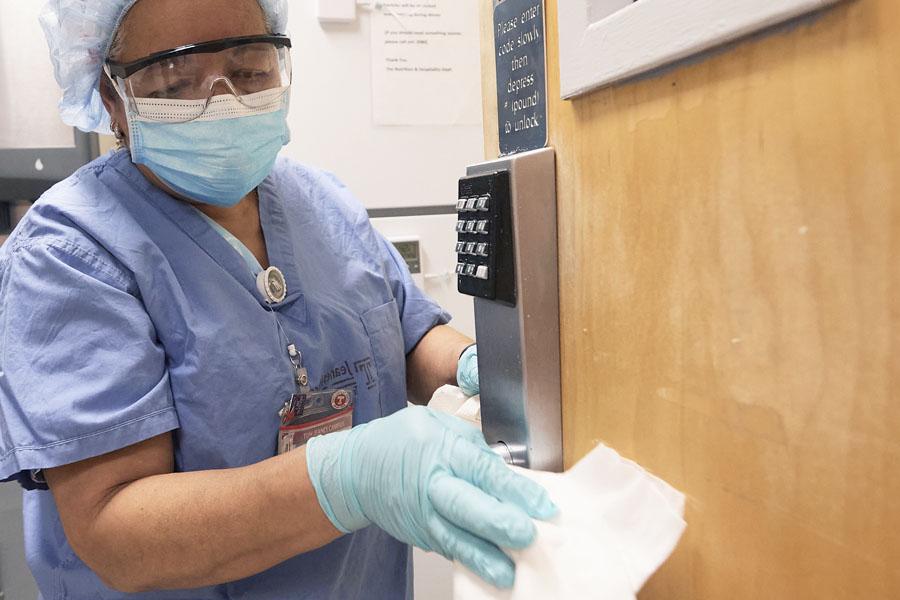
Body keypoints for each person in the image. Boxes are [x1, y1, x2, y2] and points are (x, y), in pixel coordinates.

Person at [0, 0, 556, 598]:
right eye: (174, 79)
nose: (221, 100)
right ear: (113, 98)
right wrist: (349, 480)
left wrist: (484, 370)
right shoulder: (68, 252)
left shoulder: (322, 201)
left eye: (248, 70)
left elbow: (406, 332)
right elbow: (113, 528)